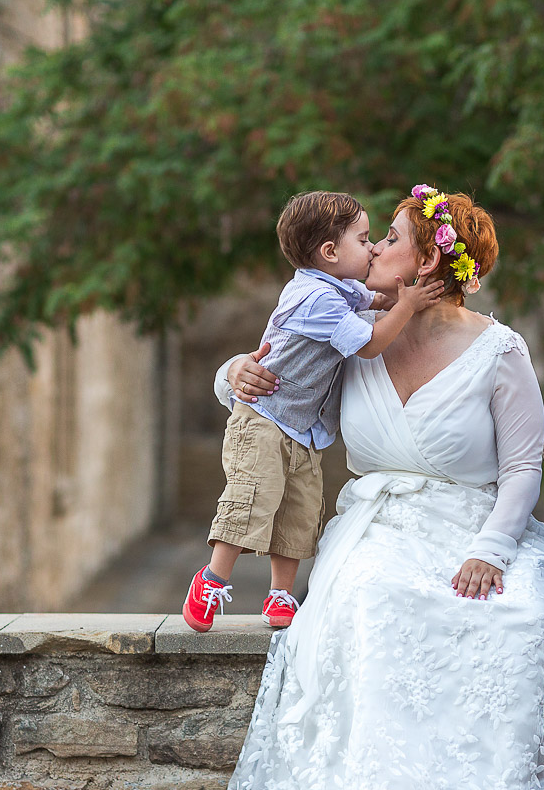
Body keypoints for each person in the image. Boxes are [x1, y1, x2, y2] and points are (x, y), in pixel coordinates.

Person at [217, 185, 544, 790]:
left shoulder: (501, 352)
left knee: (514, 614)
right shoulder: (347, 328)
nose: (375, 245)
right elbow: (274, 372)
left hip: (476, 522)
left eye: (390, 238)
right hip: (381, 525)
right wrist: (235, 370)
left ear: (428, 265)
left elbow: (525, 469)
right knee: (374, 599)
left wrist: (491, 551)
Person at [185, 190, 444, 633]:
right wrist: (407, 306)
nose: (372, 248)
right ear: (329, 252)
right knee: (252, 499)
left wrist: (386, 303)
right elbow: (369, 345)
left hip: (304, 430)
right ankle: (212, 579)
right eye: (364, 240)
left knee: (301, 512)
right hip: (265, 418)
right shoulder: (314, 298)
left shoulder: (339, 288)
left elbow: (367, 303)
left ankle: (281, 592)